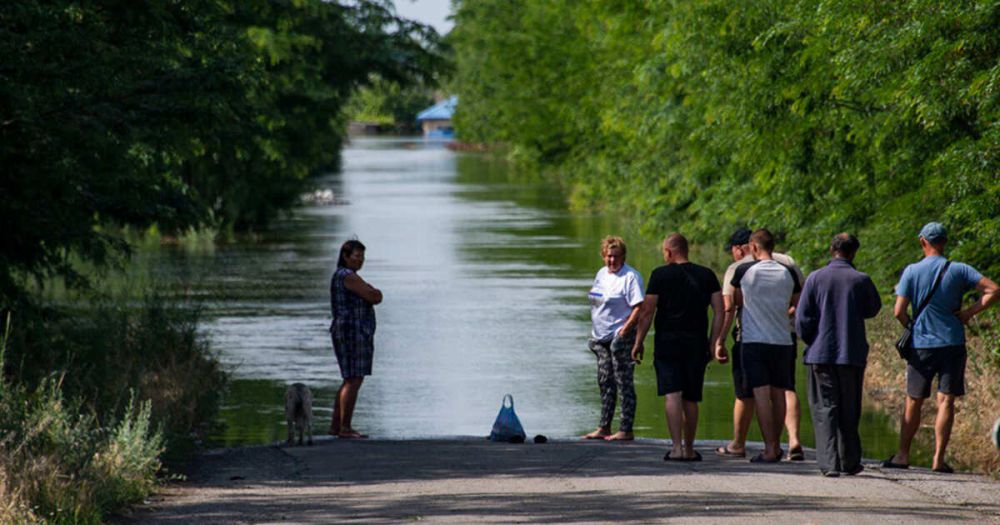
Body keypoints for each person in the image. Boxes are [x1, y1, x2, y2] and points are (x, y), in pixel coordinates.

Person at [883, 222, 998, 473]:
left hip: (921, 345)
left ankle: (902, 455)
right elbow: (993, 289)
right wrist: (969, 313)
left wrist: (911, 326)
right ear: (944, 242)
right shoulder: (959, 269)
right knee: (946, 400)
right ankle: (938, 459)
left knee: (914, 400)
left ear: (922, 241)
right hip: (953, 342)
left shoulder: (912, 271)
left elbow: (898, 311)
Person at [715, 228, 806, 460]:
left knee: (760, 395)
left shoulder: (743, 270)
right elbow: (797, 303)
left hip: (754, 341)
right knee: (780, 393)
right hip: (783, 340)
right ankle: (780, 444)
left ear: (753, 247)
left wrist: (719, 340)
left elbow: (733, 304)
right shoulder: (788, 271)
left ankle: (770, 448)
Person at [631, 233, 724, 460]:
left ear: (669, 252)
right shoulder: (707, 274)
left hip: (667, 343)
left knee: (673, 394)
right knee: (691, 397)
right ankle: (690, 449)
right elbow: (720, 310)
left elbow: (647, 311)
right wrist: (714, 342)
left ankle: (676, 448)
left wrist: (638, 341)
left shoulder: (660, 275)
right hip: (696, 343)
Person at [795, 233, 881, 477]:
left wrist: (813, 340)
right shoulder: (861, 279)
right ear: (853, 253)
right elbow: (873, 309)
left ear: (831, 249)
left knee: (825, 409)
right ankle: (850, 461)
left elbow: (802, 319)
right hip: (851, 353)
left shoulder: (815, 278)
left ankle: (829, 463)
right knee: (850, 407)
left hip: (820, 354)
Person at [583, 236, 644, 441]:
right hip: (600, 338)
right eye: (609, 256)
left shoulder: (630, 277)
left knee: (623, 381)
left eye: (616, 256)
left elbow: (638, 307)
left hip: (620, 337)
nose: (612, 260)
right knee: (604, 381)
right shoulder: (601, 274)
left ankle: (626, 429)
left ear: (623, 256)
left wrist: (625, 332)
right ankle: (604, 427)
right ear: (603, 256)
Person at [329, 239, 383, 439]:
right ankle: (345, 428)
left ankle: (336, 426)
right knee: (354, 378)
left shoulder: (345, 276)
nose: (360, 261)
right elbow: (374, 296)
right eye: (356, 256)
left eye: (362, 257)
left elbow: (371, 293)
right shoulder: (347, 276)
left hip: (349, 331)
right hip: (352, 332)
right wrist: (373, 291)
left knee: (349, 379)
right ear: (345, 256)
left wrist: (371, 291)